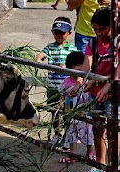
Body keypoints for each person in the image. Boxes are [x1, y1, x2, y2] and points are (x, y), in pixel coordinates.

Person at [78, 7, 120, 172]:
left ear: (113, 25)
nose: (98, 33)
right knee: (97, 130)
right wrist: (84, 81)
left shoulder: (118, 43)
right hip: (96, 94)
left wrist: (108, 86)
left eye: (102, 29)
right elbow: (88, 67)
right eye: (95, 29)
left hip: (115, 96)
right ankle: (100, 167)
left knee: (113, 135)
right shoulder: (93, 43)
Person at [35, 17, 77, 146]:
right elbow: (41, 54)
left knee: (67, 113)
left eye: (62, 33)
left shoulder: (73, 50)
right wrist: (39, 59)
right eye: (56, 32)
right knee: (54, 112)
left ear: (69, 33)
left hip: (68, 89)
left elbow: (79, 65)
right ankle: (57, 134)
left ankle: (68, 136)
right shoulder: (50, 47)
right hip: (53, 87)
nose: (58, 35)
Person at [58, 51, 95, 163]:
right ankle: (73, 154)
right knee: (71, 133)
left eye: (80, 65)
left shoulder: (87, 81)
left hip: (84, 113)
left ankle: (90, 152)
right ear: (69, 67)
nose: (78, 68)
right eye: (75, 66)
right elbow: (62, 95)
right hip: (71, 113)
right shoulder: (66, 82)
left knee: (89, 133)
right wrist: (61, 105)